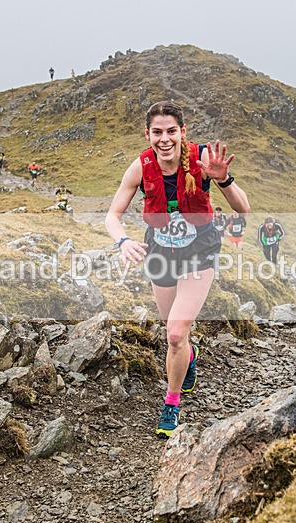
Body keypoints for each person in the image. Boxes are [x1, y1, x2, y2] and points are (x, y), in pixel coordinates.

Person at [105, 101, 249, 438]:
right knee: (175, 333)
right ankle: (190, 354)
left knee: (174, 334)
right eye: (158, 132)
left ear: (183, 132)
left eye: (172, 131)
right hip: (160, 254)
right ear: (148, 134)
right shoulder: (140, 167)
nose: (165, 139)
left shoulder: (201, 160)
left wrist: (224, 180)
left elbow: (243, 208)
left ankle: (171, 404)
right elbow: (112, 215)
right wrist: (123, 242)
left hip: (200, 252)